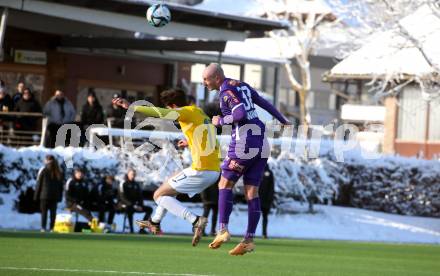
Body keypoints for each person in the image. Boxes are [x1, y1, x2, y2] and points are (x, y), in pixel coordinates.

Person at [113, 88, 220, 246]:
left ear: (174, 105)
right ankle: (154, 221)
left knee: (158, 195)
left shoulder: (185, 112)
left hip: (201, 170)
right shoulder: (199, 113)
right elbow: (211, 138)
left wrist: (131, 106)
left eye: (171, 108)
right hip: (212, 170)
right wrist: (189, 141)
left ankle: (195, 220)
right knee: (169, 185)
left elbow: (160, 113)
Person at [202, 63, 290, 255]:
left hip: (245, 142)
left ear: (216, 78)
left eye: (206, 79)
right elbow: (263, 102)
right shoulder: (241, 84)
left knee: (224, 184)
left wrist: (220, 121)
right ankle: (248, 240)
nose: (204, 83)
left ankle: (223, 230)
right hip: (261, 142)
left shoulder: (225, 92)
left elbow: (239, 114)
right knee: (252, 193)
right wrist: (282, 119)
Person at [34, 155, 64, 232]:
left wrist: (36, 196)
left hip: (44, 195)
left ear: (47, 160)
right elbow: (61, 186)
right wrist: (60, 196)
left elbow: (39, 184)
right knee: (53, 213)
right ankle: (52, 228)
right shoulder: (59, 171)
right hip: (55, 196)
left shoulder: (43, 170)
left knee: (44, 212)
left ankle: (43, 228)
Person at [117, 169, 153, 234]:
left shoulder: (136, 184)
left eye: (134, 174)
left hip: (135, 205)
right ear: (128, 174)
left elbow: (140, 196)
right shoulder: (123, 183)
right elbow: (122, 198)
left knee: (149, 209)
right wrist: (134, 205)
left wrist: (140, 205)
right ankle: (131, 230)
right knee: (129, 209)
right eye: (131, 174)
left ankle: (142, 229)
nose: (133, 176)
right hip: (123, 205)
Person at [259, 165, 274, 239]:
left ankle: (264, 234)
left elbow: (271, 188)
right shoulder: (256, 171)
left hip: (264, 200)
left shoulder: (269, 173)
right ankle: (251, 233)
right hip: (259, 199)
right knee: (255, 217)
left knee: (264, 217)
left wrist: (270, 199)